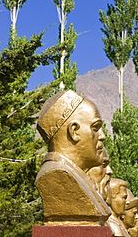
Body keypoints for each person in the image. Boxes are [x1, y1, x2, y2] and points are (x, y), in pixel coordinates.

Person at [35, 90, 111, 226]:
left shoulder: (80, 177)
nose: (102, 136)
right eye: (96, 128)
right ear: (74, 131)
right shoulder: (55, 175)